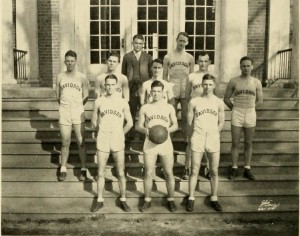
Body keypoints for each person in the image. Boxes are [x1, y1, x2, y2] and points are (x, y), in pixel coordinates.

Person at [90, 74, 133, 212]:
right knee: (101, 172)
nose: (109, 87)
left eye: (112, 84)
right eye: (107, 84)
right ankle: (100, 199)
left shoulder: (122, 102)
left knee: (120, 172)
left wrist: (121, 133)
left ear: (117, 86)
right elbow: (93, 121)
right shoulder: (99, 101)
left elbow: (130, 123)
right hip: (103, 138)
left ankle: (123, 199)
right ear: (104, 85)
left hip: (117, 139)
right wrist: (99, 130)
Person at [136, 80, 178, 212]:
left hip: (165, 143)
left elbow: (175, 125)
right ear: (150, 92)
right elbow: (138, 126)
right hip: (149, 143)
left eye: (158, 91)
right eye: (153, 91)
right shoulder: (145, 108)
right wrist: (146, 131)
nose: (155, 94)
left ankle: (171, 199)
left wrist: (167, 130)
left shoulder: (169, 107)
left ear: (163, 93)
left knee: (169, 172)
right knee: (148, 173)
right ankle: (147, 199)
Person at [186, 74, 225, 212]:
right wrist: (192, 137)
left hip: (213, 137)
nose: (207, 87)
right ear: (201, 85)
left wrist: (215, 133)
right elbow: (189, 122)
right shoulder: (194, 101)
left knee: (214, 170)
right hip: (198, 136)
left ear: (214, 86)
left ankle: (214, 197)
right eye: (205, 84)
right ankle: (191, 197)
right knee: (195, 169)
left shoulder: (219, 102)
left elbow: (221, 122)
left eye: (210, 84)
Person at [223, 56, 263, 181]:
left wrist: (251, 108)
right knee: (235, 142)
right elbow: (226, 98)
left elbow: (260, 100)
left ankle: (247, 168)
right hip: (237, 112)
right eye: (243, 66)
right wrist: (234, 108)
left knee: (248, 142)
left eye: (248, 65)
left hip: (250, 112)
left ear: (252, 66)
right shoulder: (234, 81)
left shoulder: (256, 82)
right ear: (240, 67)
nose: (246, 68)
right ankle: (234, 167)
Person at [183, 52, 219, 180]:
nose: (203, 64)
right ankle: (187, 167)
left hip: (208, 113)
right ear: (197, 62)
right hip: (195, 112)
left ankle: (208, 168)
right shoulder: (191, 76)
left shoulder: (214, 76)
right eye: (200, 61)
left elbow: (217, 96)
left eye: (206, 61)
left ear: (209, 62)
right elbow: (187, 95)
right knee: (191, 140)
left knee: (208, 141)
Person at [56, 50, 89, 182]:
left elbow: (86, 95)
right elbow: (58, 96)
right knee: (65, 141)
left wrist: (77, 105)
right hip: (64, 111)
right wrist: (66, 105)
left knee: (81, 141)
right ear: (65, 62)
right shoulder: (60, 76)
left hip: (77, 111)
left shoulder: (81, 77)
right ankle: (63, 168)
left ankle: (83, 168)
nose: (70, 63)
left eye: (72, 61)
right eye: (67, 61)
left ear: (76, 62)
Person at [163, 32, 195, 143]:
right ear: (176, 40)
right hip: (172, 86)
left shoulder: (190, 57)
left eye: (184, 41)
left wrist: (190, 91)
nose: (182, 43)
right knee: (171, 114)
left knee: (187, 115)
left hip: (185, 87)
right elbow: (164, 77)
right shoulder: (168, 56)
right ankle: (169, 140)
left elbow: (192, 77)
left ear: (187, 42)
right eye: (180, 40)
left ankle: (188, 140)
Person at [122, 34, 152, 140]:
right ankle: (130, 134)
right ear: (132, 43)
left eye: (140, 43)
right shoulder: (127, 57)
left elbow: (151, 72)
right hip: (131, 87)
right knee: (131, 109)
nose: (138, 45)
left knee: (144, 109)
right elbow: (123, 73)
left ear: (143, 44)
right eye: (136, 43)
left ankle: (145, 134)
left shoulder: (148, 57)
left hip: (143, 87)